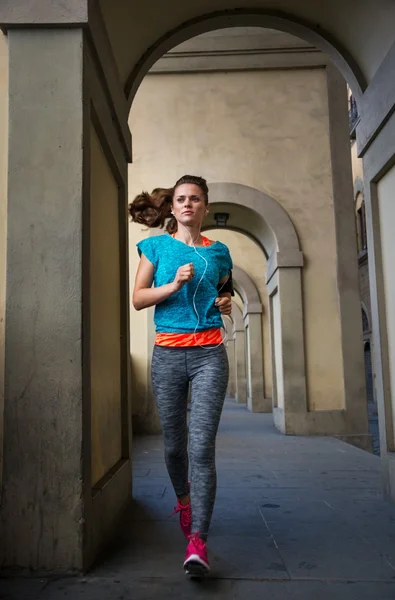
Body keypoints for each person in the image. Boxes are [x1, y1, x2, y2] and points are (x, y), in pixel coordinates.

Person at [130, 174, 233, 578]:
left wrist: (224, 300)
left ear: (205, 207)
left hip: (210, 353)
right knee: (175, 447)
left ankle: (199, 540)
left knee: (201, 447)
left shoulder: (220, 252)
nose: (188, 204)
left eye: (195, 199)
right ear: (172, 208)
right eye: (181, 199)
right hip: (169, 355)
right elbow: (138, 299)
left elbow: (224, 288)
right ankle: (184, 502)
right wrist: (173, 284)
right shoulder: (156, 247)